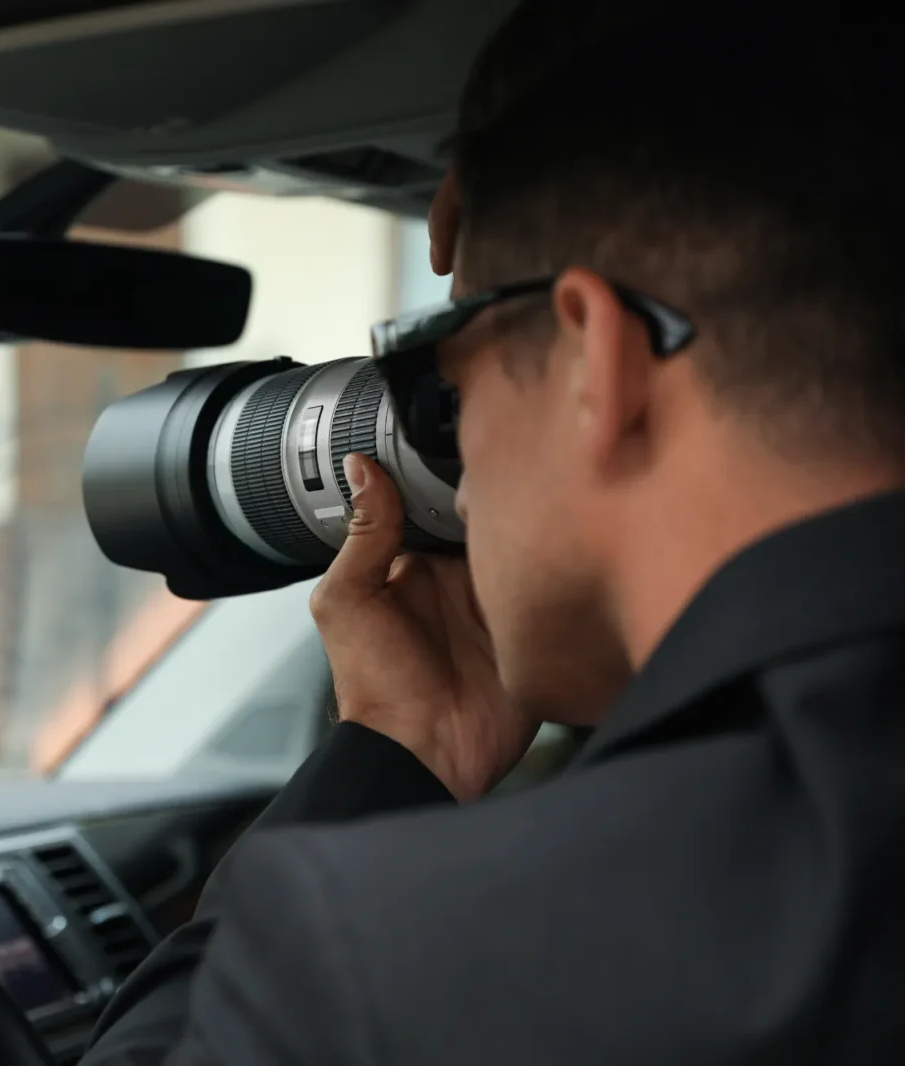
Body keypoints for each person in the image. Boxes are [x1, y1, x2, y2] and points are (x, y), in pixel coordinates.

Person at [82, 3, 905, 1064]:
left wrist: (394, 750)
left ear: (592, 360)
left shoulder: (386, 970)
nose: (452, 458)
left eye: (444, 366)